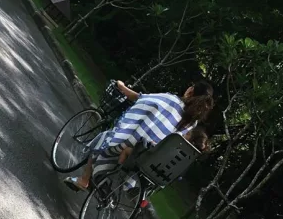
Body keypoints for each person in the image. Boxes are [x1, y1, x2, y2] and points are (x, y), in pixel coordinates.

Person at [64, 79, 214, 191]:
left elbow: (140, 99)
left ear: (190, 91)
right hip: (150, 161)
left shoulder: (171, 100)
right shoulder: (191, 124)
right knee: (124, 150)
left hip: (134, 147)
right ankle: (105, 184)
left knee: (105, 139)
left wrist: (122, 86)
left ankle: (84, 180)